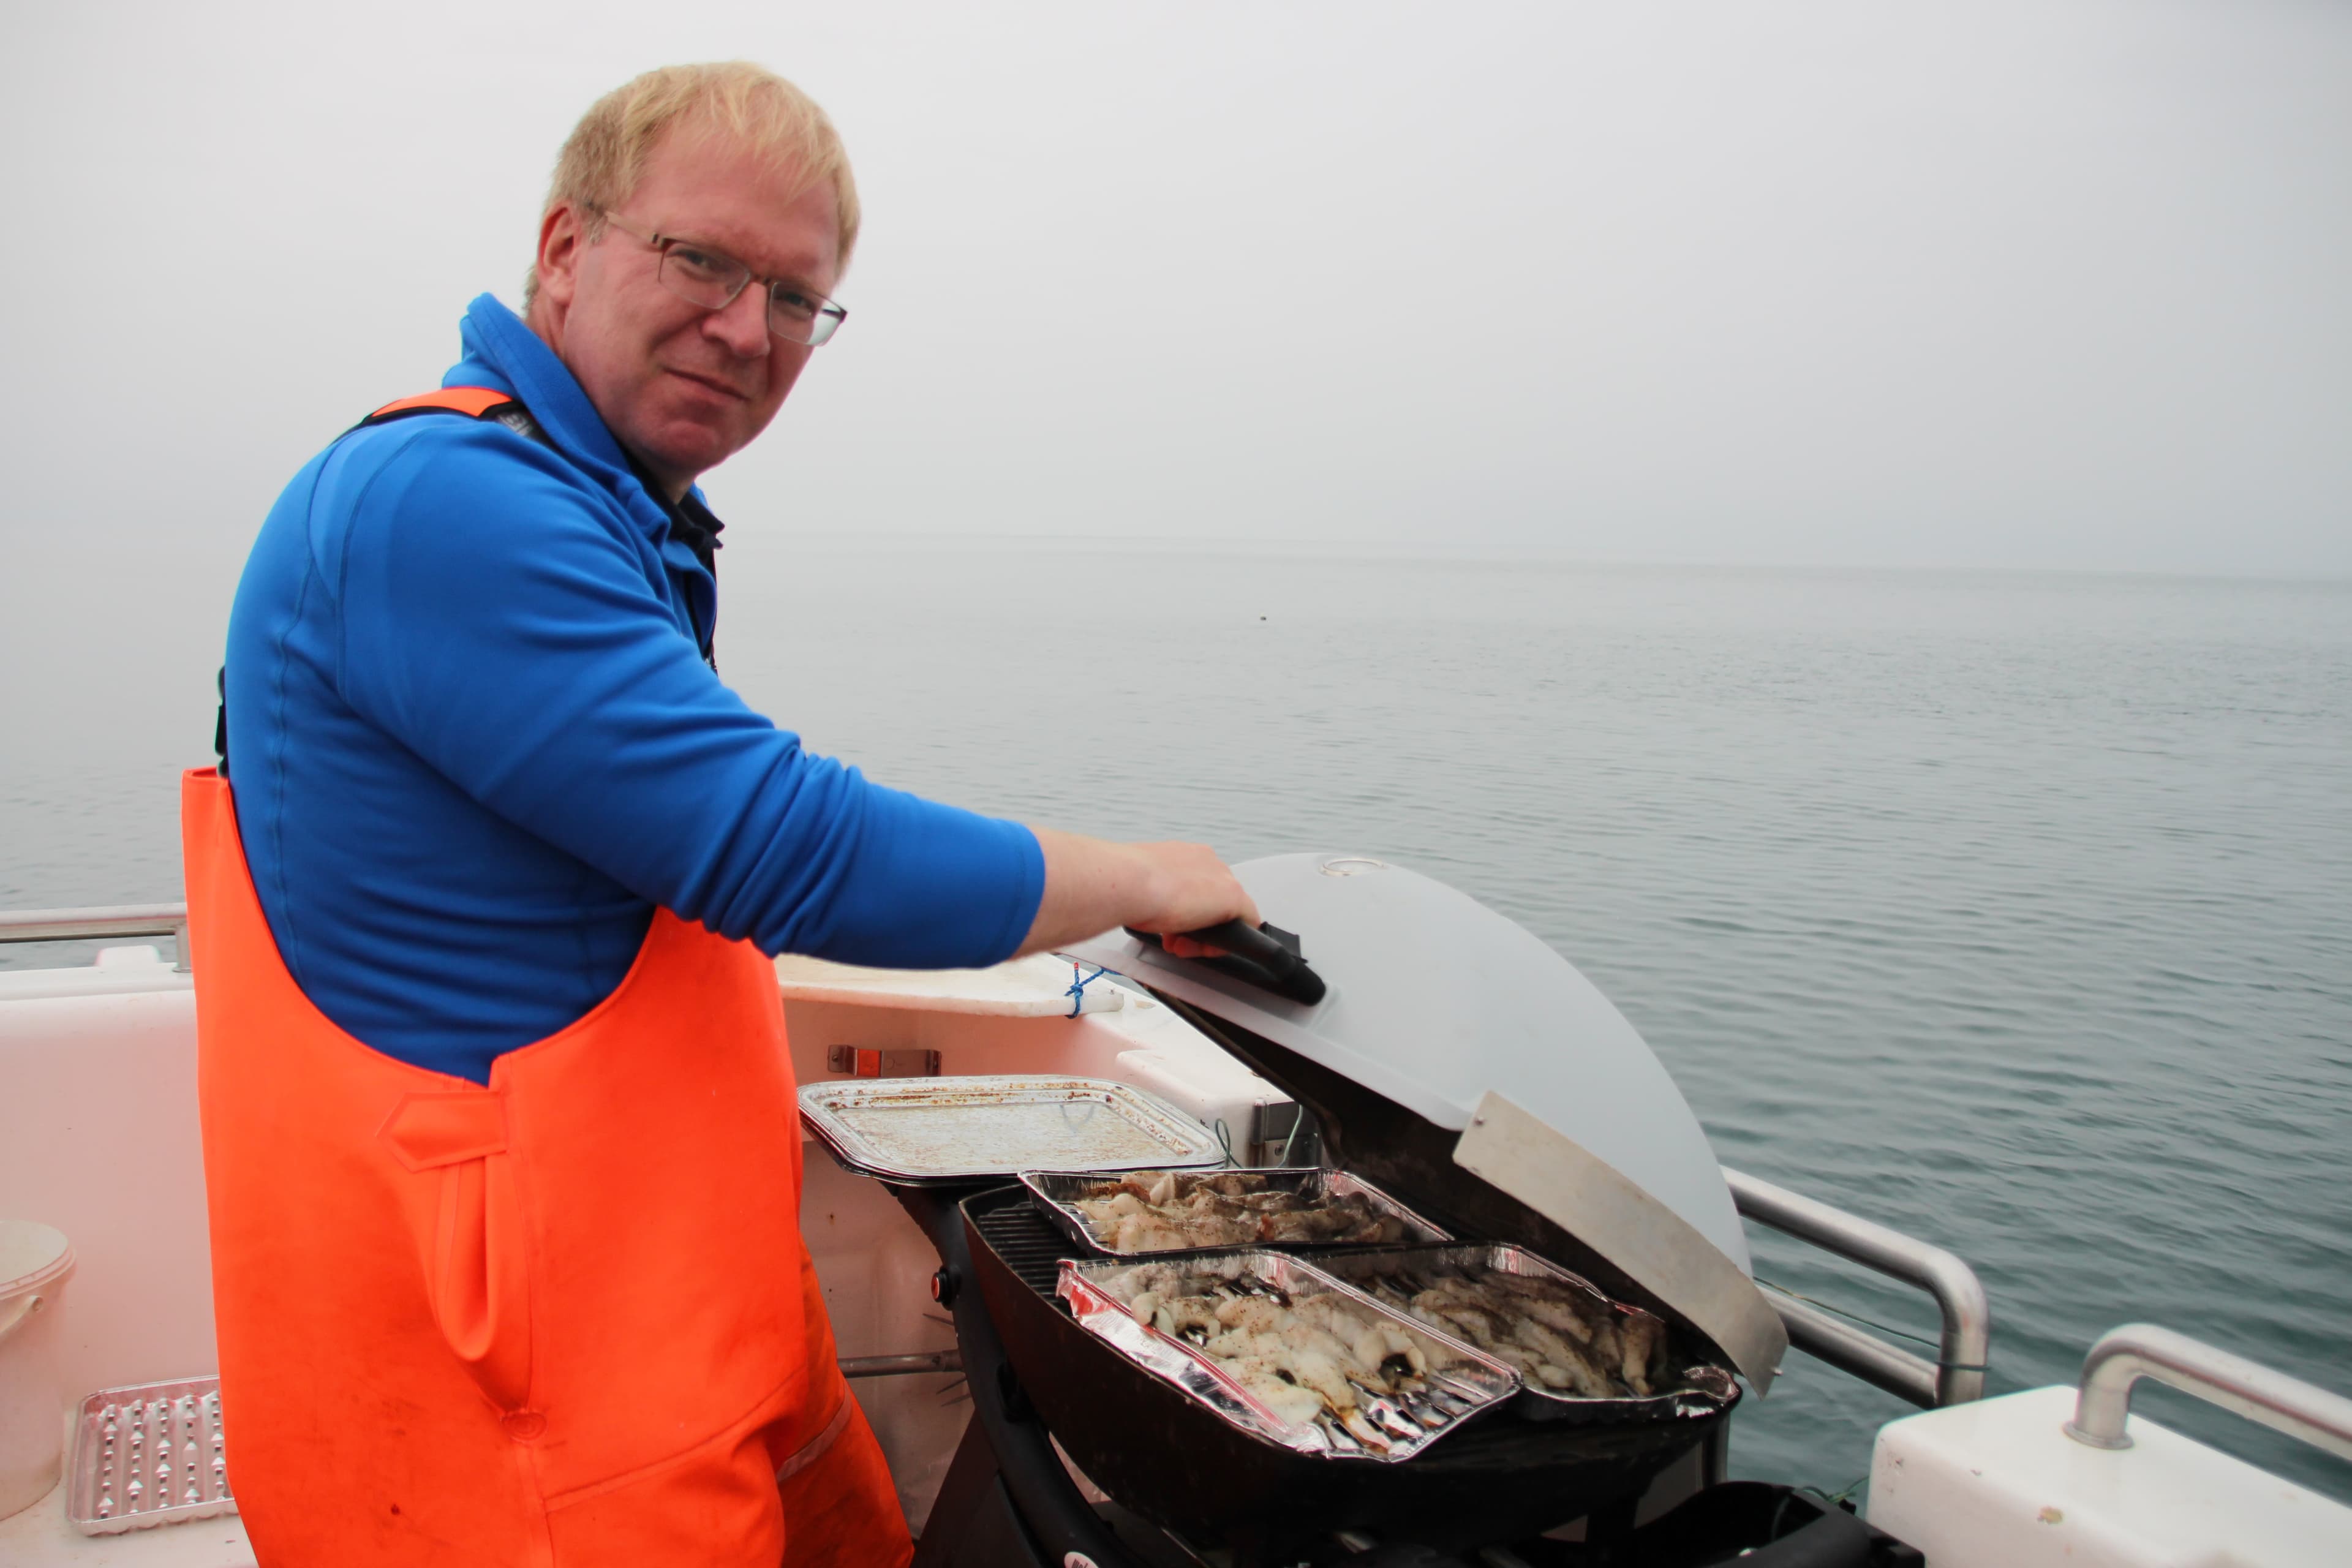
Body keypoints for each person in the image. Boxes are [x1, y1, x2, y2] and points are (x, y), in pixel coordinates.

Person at [181, 61, 1256, 1568]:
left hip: (678, 1319)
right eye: (701, 259)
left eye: (796, 297)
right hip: (522, 1418)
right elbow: (790, 846)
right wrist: (1142, 872)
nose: (748, 327)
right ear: (564, 248)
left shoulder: (602, 506)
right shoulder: (446, 501)